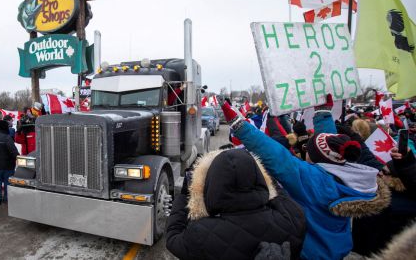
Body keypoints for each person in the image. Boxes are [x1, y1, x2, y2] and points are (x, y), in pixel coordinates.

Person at [221, 96, 391, 260]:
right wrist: (323, 113)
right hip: (336, 250)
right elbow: (328, 142)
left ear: (316, 157)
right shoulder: (347, 175)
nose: (306, 151)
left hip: (308, 252)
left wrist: (240, 126)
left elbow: (274, 154)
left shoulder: (312, 180)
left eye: (309, 150)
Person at [166, 149, 306, 260]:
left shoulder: (200, 233)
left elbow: (173, 237)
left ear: (212, 184)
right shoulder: (292, 218)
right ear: (259, 177)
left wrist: (186, 193)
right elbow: (278, 193)